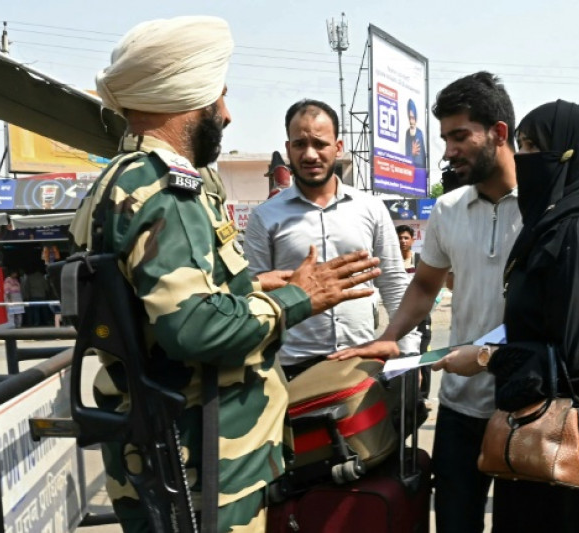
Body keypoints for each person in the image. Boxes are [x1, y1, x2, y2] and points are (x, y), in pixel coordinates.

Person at [69, 16, 382, 532]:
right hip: (198, 459)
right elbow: (195, 326)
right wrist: (299, 297)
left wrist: (254, 287)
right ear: (188, 101)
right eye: (219, 100)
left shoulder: (120, 180)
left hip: (169, 445)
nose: (228, 115)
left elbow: (154, 300)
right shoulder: (166, 192)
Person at [431, 99, 579, 533]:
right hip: (551, 442)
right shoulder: (559, 226)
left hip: (578, 451)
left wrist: (483, 359)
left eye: (535, 148)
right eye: (523, 145)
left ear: (570, 156)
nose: (524, 160)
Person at [333, 71, 520, 533]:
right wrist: (388, 338)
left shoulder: (547, 209)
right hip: (460, 405)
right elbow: (424, 286)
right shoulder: (448, 209)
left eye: (460, 136)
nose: (448, 151)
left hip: (524, 403)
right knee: (456, 522)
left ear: (499, 133)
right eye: (444, 138)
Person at [244, 99, 420, 381]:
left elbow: (394, 283)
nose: (310, 154)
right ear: (288, 149)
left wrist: (408, 352)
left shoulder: (370, 208)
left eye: (320, 143)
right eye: (300, 144)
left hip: (362, 363)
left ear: (338, 148)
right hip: (292, 370)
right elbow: (252, 293)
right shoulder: (265, 217)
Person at [397, 224, 433, 398]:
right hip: (400, 316)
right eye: (400, 238)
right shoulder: (393, 263)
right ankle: (405, 394)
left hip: (421, 316)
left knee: (423, 355)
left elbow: (434, 286)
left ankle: (423, 396)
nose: (403, 241)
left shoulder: (421, 260)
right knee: (404, 356)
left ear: (413, 240)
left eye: (406, 238)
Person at [405, 99, 427, 168]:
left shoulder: (419, 133)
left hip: (419, 169)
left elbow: (422, 156)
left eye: (412, 118)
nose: (411, 121)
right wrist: (412, 153)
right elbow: (407, 154)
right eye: (410, 118)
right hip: (409, 169)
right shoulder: (407, 133)